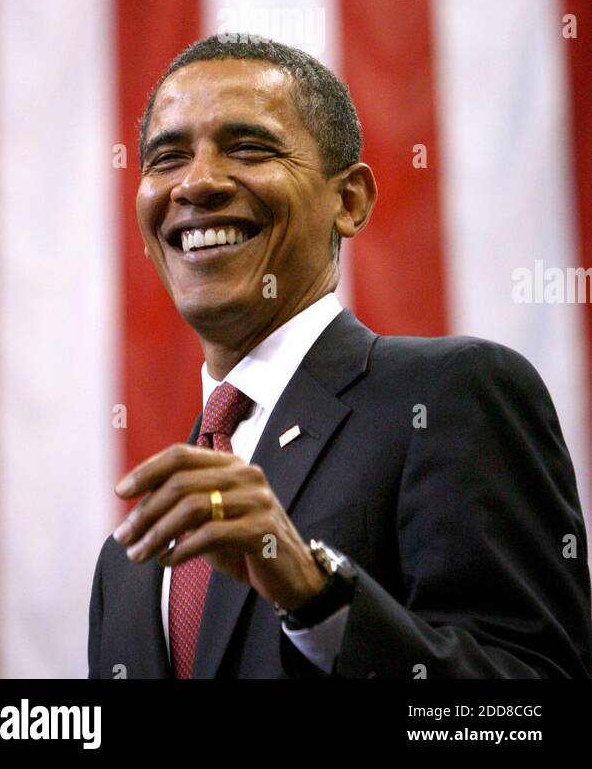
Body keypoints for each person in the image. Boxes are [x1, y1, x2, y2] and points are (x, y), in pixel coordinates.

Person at [87, 34, 592, 679]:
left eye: (247, 147)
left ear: (348, 201)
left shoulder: (448, 397)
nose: (199, 182)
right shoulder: (124, 569)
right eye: (167, 158)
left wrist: (317, 596)